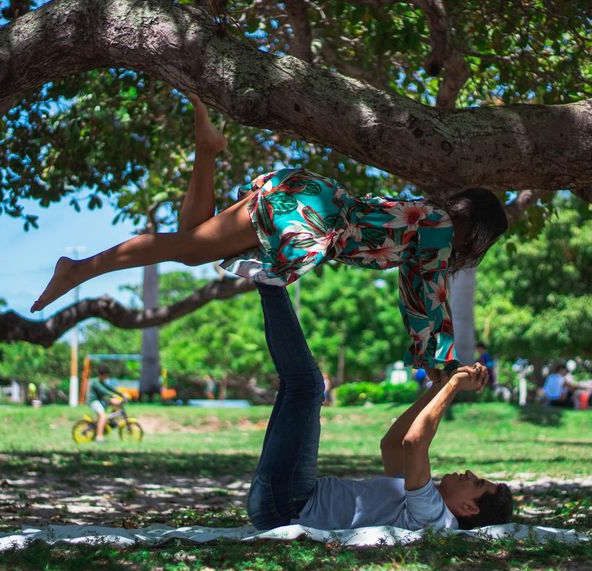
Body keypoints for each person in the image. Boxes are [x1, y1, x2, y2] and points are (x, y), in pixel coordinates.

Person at [31, 96, 508, 377]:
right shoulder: (441, 229)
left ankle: (207, 150)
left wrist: (434, 359)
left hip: (306, 198)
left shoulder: (428, 220)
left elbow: (416, 292)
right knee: (190, 247)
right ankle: (79, 268)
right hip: (309, 216)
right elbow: (427, 299)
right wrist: (442, 361)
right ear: (479, 231)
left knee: (193, 246)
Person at [248, 283, 513, 531]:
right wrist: (438, 388)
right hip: (283, 500)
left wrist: (452, 387)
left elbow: (414, 442)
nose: (469, 473)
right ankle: (268, 280)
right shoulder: (424, 500)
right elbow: (393, 444)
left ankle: (270, 277)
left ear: (468, 508)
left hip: (289, 505)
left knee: (307, 387)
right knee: (298, 386)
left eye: (476, 482)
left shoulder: (434, 515)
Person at [88, 365, 126, 442]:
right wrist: (112, 395)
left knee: (116, 403)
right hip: (94, 402)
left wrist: (120, 394)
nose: (107, 377)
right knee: (103, 417)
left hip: (100, 401)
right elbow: (102, 390)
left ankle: (111, 421)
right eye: (106, 376)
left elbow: (110, 388)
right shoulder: (95, 382)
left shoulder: (102, 381)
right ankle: (99, 437)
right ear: (101, 375)